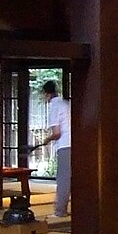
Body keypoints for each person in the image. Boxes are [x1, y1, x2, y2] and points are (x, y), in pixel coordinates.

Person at [40, 80, 71, 219]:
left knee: (63, 179)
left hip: (65, 145)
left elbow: (57, 132)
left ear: (47, 94)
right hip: (75, 143)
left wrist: (47, 139)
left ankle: (60, 211)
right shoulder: (65, 103)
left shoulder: (54, 107)